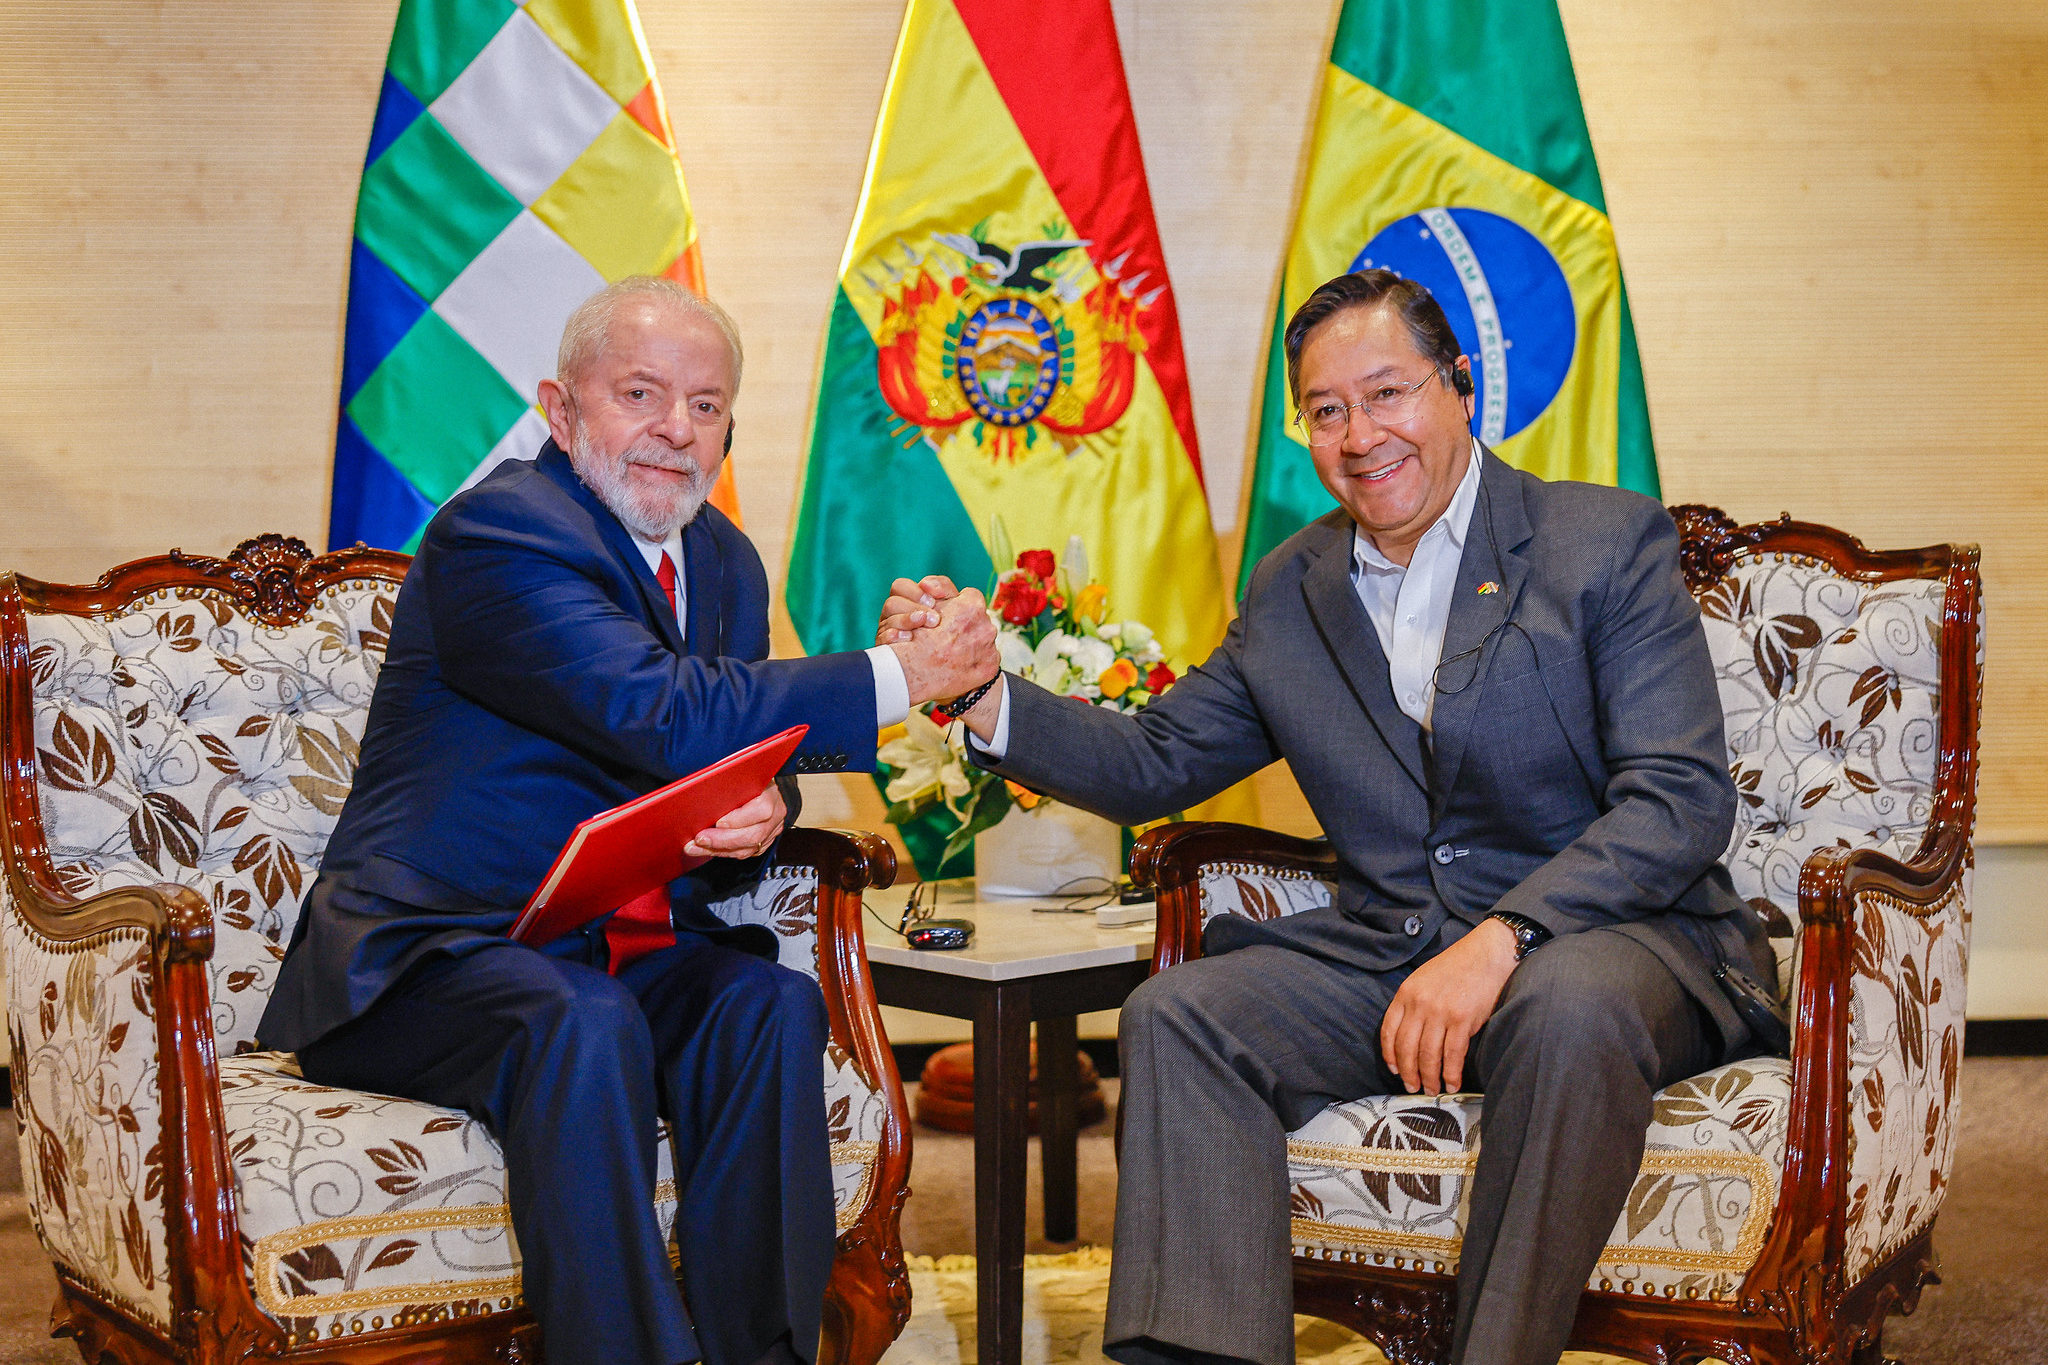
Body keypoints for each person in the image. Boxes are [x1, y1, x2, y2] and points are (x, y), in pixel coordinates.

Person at [878, 269, 1775, 1365]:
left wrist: (1505, 938)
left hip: (1616, 944)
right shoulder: (1292, 584)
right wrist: (980, 697)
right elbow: (1158, 758)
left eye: (1386, 393)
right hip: (1395, 946)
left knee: (1563, 1008)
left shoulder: (1599, 542)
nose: (1358, 435)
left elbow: (1678, 800)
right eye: (1324, 410)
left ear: (1458, 388)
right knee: (1180, 1013)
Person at [260, 276, 995, 1365]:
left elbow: (732, 752)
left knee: (769, 1007)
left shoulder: (724, 563)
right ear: (561, 411)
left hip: (605, 948)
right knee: (578, 1022)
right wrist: (900, 675)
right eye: (639, 393)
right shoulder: (499, 531)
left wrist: (759, 806)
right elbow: (650, 708)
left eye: (705, 406)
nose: (673, 431)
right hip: (429, 957)